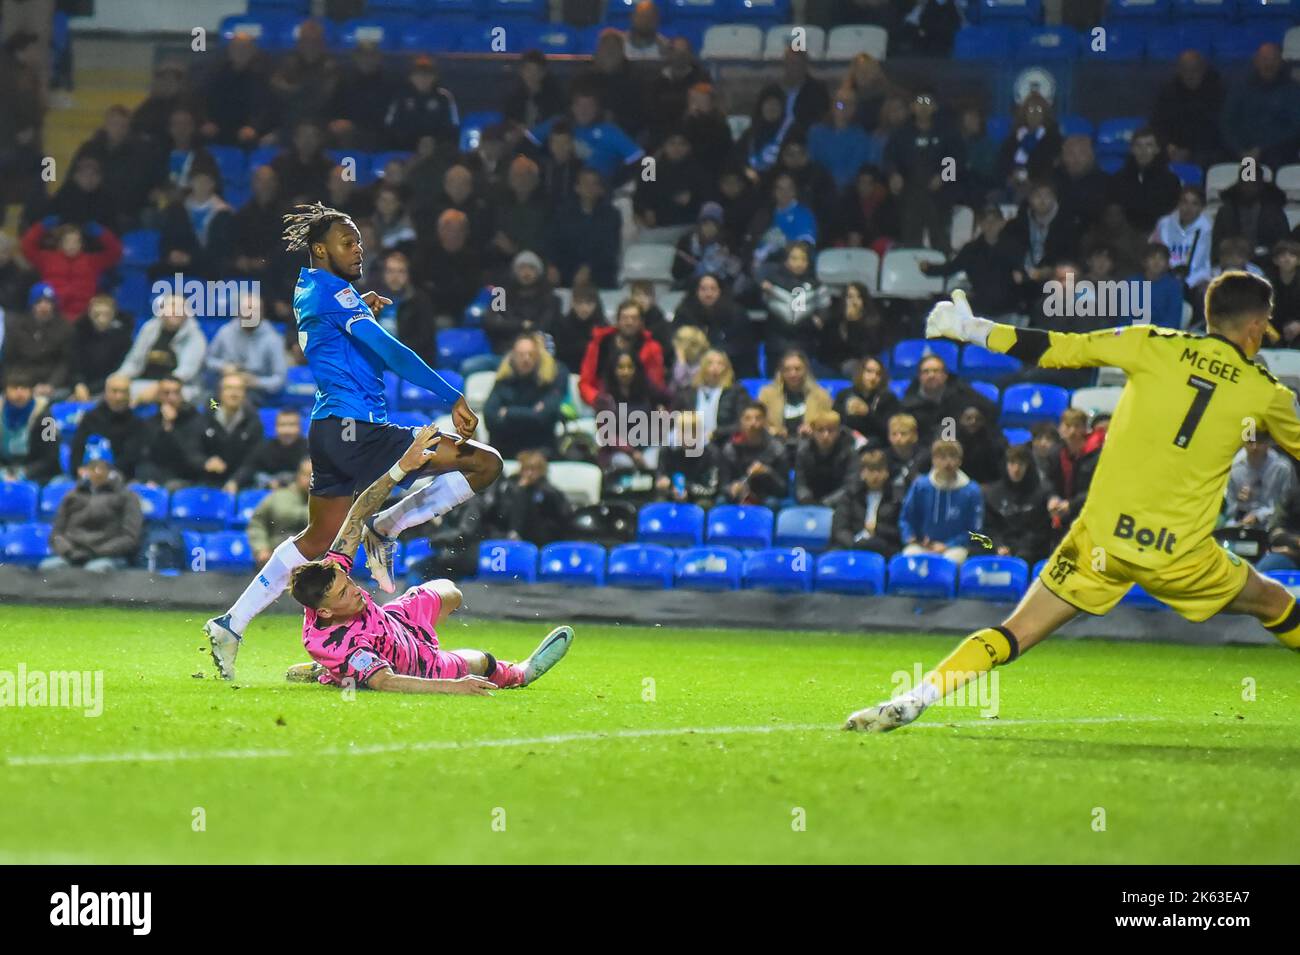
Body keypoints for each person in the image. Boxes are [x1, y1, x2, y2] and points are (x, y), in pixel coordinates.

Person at [847, 277, 1300, 733]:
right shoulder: (1267, 392)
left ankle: (913, 698)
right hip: (1179, 554)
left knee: (1013, 632)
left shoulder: (1151, 341)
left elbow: (1058, 348)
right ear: (1257, 326)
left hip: (1101, 541)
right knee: (1275, 600)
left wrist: (974, 329)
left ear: (1208, 315)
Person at [204, 203, 502, 681]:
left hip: (330, 432)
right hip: (359, 430)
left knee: (318, 541)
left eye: (360, 240)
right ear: (320, 249)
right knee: (485, 464)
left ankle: (230, 623)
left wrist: (360, 306)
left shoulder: (313, 288)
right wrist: (452, 394)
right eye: (348, 242)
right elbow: (388, 350)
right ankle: (385, 527)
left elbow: (337, 338)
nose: (359, 249)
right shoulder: (334, 295)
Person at [287, 425, 573, 694]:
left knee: (449, 591)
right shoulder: (337, 646)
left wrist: (402, 468)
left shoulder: (327, 579)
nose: (356, 590)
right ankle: (519, 673)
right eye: (344, 593)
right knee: (481, 663)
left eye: (348, 582)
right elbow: (386, 682)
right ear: (323, 612)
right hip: (415, 664)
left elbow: (359, 511)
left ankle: (337, 674)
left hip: (394, 620)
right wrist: (455, 686)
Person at [41, 445, 142, 574]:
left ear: (111, 471)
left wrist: (97, 552)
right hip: (73, 555)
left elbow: (130, 538)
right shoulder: (72, 496)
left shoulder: (127, 497)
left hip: (107, 556)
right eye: (91, 467)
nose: (96, 471)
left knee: (94, 570)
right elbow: (56, 534)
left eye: (101, 467)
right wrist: (69, 551)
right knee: (48, 567)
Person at [898, 438, 983, 566]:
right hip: (923, 545)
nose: (947, 462)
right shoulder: (920, 486)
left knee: (948, 563)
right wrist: (911, 537)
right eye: (942, 457)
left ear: (960, 461)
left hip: (956, 548)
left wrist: (948, 545)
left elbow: (975, 531)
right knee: (909, 558)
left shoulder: (971, 490)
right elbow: (906, 518)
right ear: (934, 460)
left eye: (952, 457)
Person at [483, 332, 568, 459]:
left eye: (531, 354)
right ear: (512, 357)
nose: (526, 359)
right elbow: (489, 418)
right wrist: (531, 413)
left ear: (538, 357)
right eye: (521, 355)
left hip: (540, 451)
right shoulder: (503, 379)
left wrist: (507, 413)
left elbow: (544, 417)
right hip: (504, 450)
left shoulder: (551, 379)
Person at [19, 217, 122, 321]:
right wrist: (41, 227)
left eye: (76, 241)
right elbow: (27, 246)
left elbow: (115, 252)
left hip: (83, 317)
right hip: (54, 316)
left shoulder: (92, 262)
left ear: (81, 244)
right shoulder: (47, 259)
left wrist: (102, 233)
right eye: (68, 241)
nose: (72, 245)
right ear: (60, 243)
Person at [113, 292, 207, 404]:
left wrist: (159, 387)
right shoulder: (149, 329)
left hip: (182, 388)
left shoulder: (196, 336)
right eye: (171, 306)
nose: (175, 310)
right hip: (143, 383)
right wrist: (118, 378)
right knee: (115, 389)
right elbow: (133, 361)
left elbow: (186, 372)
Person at [578, 299, 666, 407]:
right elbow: (585, 383)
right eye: (625, 318)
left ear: (641, 322)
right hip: (601, 404)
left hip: (638, 406)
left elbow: (656, 384)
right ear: (617, 321)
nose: (629, 322)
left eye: (634, 318)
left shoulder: (652, 349)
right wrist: (597, 399)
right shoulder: (599, 344)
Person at [481, 448, 574, 546]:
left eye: (533, 470)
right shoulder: (511, 487)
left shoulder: (549, 491)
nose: (529, 473)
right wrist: (520, 491)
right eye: (526, 469)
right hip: (511, 535)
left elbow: (562, 515)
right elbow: (502, 513)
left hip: (541, 539)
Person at [202, 295, 288, 401]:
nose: (249, 314)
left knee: (243, 406)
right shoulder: (226, 332)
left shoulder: (273, 339)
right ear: (238, 312)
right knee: (211, 405)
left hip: (255, 394)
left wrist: (256, 382)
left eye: (254, 310)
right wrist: (224, 367)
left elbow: (280, 379)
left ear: (262, 313)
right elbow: (208, 361)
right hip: (224, 389)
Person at [982, 443, 1052, 565]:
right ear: (1006, 465)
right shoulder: (992, 493)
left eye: (1021, 464)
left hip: (1029, 552)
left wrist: (1016, 550)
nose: (1016, 469)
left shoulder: (1041, 493)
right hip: (999, 548)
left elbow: (1040, 532)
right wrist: (999, 546)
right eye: (1012, 463)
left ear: (1028, 467)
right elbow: (989, 528)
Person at [831, 447, 902, 556]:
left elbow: (899, 532)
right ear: (862, 473)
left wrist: (877, 529)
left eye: (879, 470)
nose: (875, 476)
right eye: (870, 470)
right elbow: (840, 528)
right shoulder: (850, 495)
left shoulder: (896, 498)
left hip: (883, 548)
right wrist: (854, 544)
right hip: (852, 545)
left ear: (886, 472)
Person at [717, 401, 789, 506]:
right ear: (740, 421)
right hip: (738, 497)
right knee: (721, 501)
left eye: (758, 418)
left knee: (772, 503)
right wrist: (731, 488)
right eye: (748, 418)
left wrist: (767, 472)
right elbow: (723, 483)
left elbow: (784, 490)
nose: (753, 423)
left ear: (765, 421)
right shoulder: (730, 449)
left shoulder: (777, 449)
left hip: (765, 496)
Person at [247, 458, 312, 565]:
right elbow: (257, 523)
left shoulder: (329, 502)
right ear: (298, 475)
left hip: (314, 563)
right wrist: (261, 548)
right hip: (274, 558)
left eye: (314, 476)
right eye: (306, 475)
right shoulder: (277, 497)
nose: (310, 479)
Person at [68, 294, 132, 401]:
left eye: (106, 314)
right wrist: (78, 384)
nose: (101, 319)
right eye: (97, 314)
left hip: (107, 389)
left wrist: (89, 391)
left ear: (113, 315)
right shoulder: (79, 334)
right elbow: (73, 365)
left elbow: (118, 371)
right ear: (89, 314)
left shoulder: (123, 339)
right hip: (78, 388)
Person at [758, 349, 833, 439]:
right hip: (776, 444)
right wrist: (771, 430)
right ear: (781, 372)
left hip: (810, 443)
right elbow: (759, 421)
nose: (793, 374)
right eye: (787, 370)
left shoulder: (821, 395)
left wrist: (814, 429)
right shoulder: (767, 394)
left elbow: (830, 423)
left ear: (806, 370)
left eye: (797, 369)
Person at [229, 408, 308, 492]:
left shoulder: (310, 449)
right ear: (276, 428)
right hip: (267, 493)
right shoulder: (264, 447)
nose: (286, 430)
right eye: (282, 425)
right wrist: (235, 482)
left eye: (292, 425)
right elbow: (249, 468)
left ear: (300, 428)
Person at [1224, 434, 1293, 529]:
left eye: (1259, 442)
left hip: (1272, 525)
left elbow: (1285, 505)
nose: (1254, 447)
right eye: (1250, 442)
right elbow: (1229, 508)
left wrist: (1259, 516)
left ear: (1268, 443)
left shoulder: (1281, 468)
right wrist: (1240, 504)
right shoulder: (1234, 468)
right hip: (1240, 524)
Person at [0, 372, 59, 482]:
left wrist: (27, 472)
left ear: (31, 391)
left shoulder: (47, 418)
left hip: (35, 473)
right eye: (14, 388)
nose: (19, 392)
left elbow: (51, 456)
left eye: (24, 388)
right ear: (6, 391)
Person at [794, 410, 858, 507]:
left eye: (831, 430)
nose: (825, 435)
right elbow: (800, 482)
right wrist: (806, 500)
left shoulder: (849, 451)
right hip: (809, 502)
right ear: (812, 431)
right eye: (820, 430)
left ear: (838, 432)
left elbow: (850, 486)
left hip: (841, 503)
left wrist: (826, 503)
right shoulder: (803, 451)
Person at [833, 356, 900, 448]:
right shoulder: (844, 395)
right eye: (869, 371)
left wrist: (868, 413)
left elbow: (889, 430)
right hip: (846, 444)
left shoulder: (888, 398)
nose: (873, 377)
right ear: (860, 372)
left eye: (878, 374)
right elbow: (835, 422)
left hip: (876, 446)